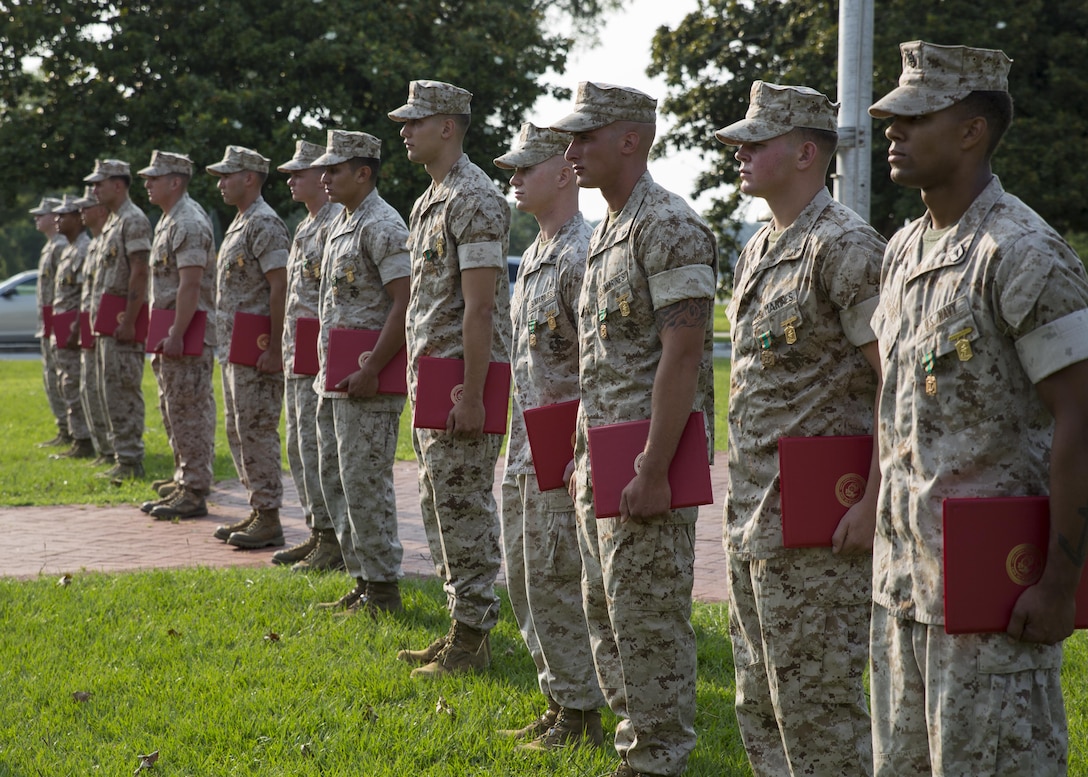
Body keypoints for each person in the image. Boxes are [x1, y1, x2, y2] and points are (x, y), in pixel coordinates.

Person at [867, 41, 1088, 775]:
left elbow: (1080, 421)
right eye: (890, 117)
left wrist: (1060, 583)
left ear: (972, 130)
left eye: (915, 116)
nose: (892, 129)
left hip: (993, 603)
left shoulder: (1022, 252)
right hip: (904, 589)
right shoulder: (902, 250)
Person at [713, 81, 884, 776]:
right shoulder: (758, 246)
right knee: (760, 700)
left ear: (806, 152)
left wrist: (873, 502)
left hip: (818, 525)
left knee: (820, 713)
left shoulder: (844, 245)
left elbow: (894, 379)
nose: (741, 153)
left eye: (758, 143)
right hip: (753, 512)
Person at [550, 82, 717, 777]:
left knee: (647, 617)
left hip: (650, 462)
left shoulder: (668, 224)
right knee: (608, 612)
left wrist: (653, 466)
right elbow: (603, 358)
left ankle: (658, 759)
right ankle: (636, 743)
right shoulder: (610, 230)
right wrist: (579, 452)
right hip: (605, 458)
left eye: (585, 136)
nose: (571, 151)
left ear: (630, 139)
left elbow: (683, 353)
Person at [388, 80, 512, 676]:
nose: (404, 131)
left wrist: (471, 391)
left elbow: (480, 308)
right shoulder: (429, 198)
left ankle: (473, 635)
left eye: (415, 121)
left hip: (463, 380)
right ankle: (462, 624)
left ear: (448, 126)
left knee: (463, 503)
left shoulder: (476, 198)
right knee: (437, 500)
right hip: (432, 375)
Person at [492, 123, 604, 748]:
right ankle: (560, 697)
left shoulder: (580, 253)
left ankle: (582, 713)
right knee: (527, 575)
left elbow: (597, 364)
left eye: (523, 169)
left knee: (561, 577)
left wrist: (580, 449)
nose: (513, 181)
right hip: (525, 443)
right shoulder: (537, 251)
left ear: (563, 174)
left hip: (564, 447)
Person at [310, 129, 411, 611]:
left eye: (334, 169)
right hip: (337, 379)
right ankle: (363, 580)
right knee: (338, 478)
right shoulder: (343, 222)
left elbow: (405, 302)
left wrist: (373, 365)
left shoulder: (382, 224)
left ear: (363, 172)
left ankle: (384, 586)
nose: (324, 177)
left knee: (365, 480)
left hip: (369, 381)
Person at [205, 146, 290, 548]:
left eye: (227, 175)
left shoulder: (265, 223)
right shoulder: (241, 221)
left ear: (250, 178)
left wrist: (275, 347)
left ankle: (270, 515)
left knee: (256, 428)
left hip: (257, 351)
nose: (221, 182)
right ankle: (258, 507)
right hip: (235, 349)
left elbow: (280, 287)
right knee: (239, 429)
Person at [270, 140, 343, 570]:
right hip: (298, 349)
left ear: (322, 175)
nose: (292, 180)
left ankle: (332, 539)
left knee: (321, 448)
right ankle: (318, 531)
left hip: (323, 352)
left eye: (299, 172)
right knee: (299, 445)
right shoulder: (304, 226)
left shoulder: (336, 222)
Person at [137, 150, 218, 520]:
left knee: (189, 410)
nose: (147, 183)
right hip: (170, 331)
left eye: (155, 177)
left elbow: (191, 284)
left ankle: (195, 488)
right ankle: (184, 477)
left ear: (176, 181)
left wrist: (176, 333)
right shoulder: (169, 219)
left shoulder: (188, 220)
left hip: (185, 333)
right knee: (173, 409)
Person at [84, 158, 152, 482]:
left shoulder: (133, 220)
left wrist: (130, 320)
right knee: (109, 388)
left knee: (123, 387)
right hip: (107, 323)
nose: (94, 188)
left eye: (99, 182)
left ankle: (131, 459)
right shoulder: (113, 222)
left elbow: (139, 271)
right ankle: (119, 455)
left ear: (118, 184)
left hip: (124, 322)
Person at [48, 194, 94, 460]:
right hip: (63, 326)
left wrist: (77, 326)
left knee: (76, 383)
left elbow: (83, 293)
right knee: (67, 382)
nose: (57, 219)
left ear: (78, 218)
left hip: (74, 328)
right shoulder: (69, 249)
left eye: (63, 215)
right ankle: (77, 436)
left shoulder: (84, 248)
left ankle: (84, 439)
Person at [74, 187, 114, 464]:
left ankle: (118, 453)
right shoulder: (96, 244)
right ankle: (106, 449)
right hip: (94, 322)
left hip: (111, 323)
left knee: (110, 390)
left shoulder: (103, 239)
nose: (80, 213)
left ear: (100, 210)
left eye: (85, 207)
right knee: (91, 388)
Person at [30, 196, 70, 449]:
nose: (37, 218)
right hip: (49, 320)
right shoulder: (50, 247)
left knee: (62, 375)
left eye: (41, 214)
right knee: (52, 377)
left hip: (59, 320)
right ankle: (64, 428)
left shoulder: (60, 246)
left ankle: (71, 429)